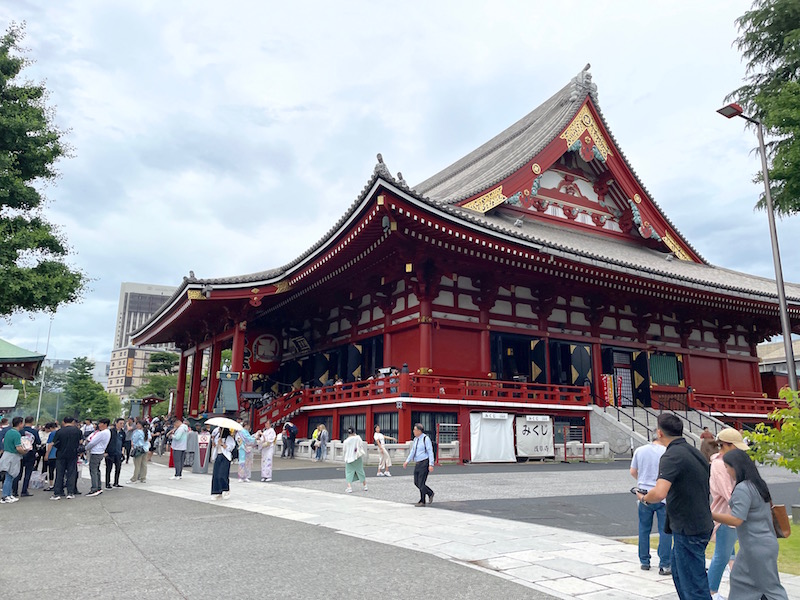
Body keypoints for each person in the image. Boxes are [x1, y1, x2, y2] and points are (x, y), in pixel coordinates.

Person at [638, 414, 713, 600]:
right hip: (699, 521)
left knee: (693, 583)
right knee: (681, 575)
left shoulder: (671, 456)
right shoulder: (694, 451)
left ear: (659, 432)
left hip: (688, 527)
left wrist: (645, 498)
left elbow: (660, 492)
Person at [712, 449, 789, 600]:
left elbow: (737, 520)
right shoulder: (757, 485)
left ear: (736, 467)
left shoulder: (743, 488)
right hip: (759, 544)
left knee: (771, 587)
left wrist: (710, 515)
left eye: (727, 467)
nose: (726, 471)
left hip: (756, 546)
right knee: (740, 580)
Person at [708, 428, 746, 599]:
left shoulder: (723, 462)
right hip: (726, 514)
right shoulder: (719, 465)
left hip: (727, 513)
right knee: (721, 556)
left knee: (727, 554)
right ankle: (711, 591)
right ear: (725, 445)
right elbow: (728, 492)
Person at [630, 437, 671, 575]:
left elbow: (633, 471)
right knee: (664, 530)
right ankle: (665, 563)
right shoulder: (667, 451)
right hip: (662, 493)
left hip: (644, 492)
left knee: (644, 528)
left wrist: (642, 480)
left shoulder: (640, 450)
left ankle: (644, 560)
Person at [403, 423, 435, 507]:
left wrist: (431, 464)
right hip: (417, 463)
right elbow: (413, 451)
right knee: (416, 482)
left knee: (421, 482)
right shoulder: (415, 439)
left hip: (424, 462)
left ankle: (422, 500)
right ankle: (430, 492)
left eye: (415, 430)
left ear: (419, 431)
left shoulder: (425, 439)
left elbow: (430, 451)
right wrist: (407, 461)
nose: (413, 431)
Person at [51, 416, 82, 500]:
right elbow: (80, 442)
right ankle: (70, 492)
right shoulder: (78, 431)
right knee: (71, 473)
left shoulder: (59, 431)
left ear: (64, 422)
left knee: (59, 473)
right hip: (73, 454)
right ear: (72, 421)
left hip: (61, 454)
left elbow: (54, 443)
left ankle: (57, 492)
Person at [0, 417, 29, 503]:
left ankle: (8, 494)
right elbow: (18, 448)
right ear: (20, 423)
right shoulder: (16, 434)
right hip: (12, 456)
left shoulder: (8, 432)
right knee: (9, 476)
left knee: (9, 476)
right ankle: (5, 496)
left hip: (6, 455)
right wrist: (25, 451)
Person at [84, 418, 111, 496]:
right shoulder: (108, 432)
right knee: (97, 470)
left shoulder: (102, 433)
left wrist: (85, 448)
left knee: (93, 470)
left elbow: (93, 442)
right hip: (100, 452)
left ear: (105, 424)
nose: (99, 425)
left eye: (100, 423)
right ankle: (98, 487)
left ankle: (94, 488)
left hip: (96, 452)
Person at [17, 416, 40, 498]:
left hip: (20, 453)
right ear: (32, 422)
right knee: (28, 473)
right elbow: (38, 442)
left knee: (18, 472)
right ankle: (24, 490)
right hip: (30, 453)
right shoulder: (34, 431)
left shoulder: (20, 431)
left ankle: (14, 490)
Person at [211, 428, 236, 499]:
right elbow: (215, 446)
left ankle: (225, 489)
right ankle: (216, 491)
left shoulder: (229, 438)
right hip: (218, 456)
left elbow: (230, 448)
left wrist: (222, 444)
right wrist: (214, 441)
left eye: (220, 429)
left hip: (225, 457)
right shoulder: (218, 436)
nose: (219, 430)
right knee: (216, 475)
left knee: (222, 475)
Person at [342, 427, 367, 493]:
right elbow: (361, 445)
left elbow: (344, 450)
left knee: (349, 472)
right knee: (360, 470)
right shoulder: (358, 438)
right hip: (357, 457)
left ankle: (349, 487)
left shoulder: (346, 441)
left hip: (349, 458)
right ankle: (365, 485)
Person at [105, 418, 125, 489]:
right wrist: (106, 452)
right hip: (110, 452)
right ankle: (107, 483)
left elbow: (123, 443)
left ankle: (116, 482)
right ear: (116, 423)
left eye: (123, 423)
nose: (122, 425)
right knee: (109, 468)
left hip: (118, 453)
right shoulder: (110, 431)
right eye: (120, 423)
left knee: (118, 468)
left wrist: (122, 452)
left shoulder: (122, 432)